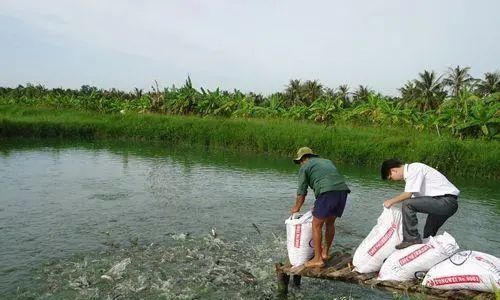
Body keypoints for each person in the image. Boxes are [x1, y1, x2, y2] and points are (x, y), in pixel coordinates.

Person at [290, 146, 350, 268]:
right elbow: (327, 179)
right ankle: (324, 254)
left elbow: (301, 192)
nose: (300, 164)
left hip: (326, 193)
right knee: (330, 222)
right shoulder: (327, 161)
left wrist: (296, 208)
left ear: (304, 158)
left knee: (316, 225)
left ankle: (317, 259)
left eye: (300, 162)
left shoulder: (305, 167)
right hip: (342, 191)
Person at [380, 159, 459, 249]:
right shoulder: (413, 173)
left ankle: (411, 239)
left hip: (445, 202)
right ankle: (426, 251)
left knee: (407, 204)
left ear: (393, 170)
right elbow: (415, 199)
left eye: (390, 177)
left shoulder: (414, 169)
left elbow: (407, 195)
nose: (393, 180)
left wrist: (390, 201)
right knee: (428, 234)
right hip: (443, 202)